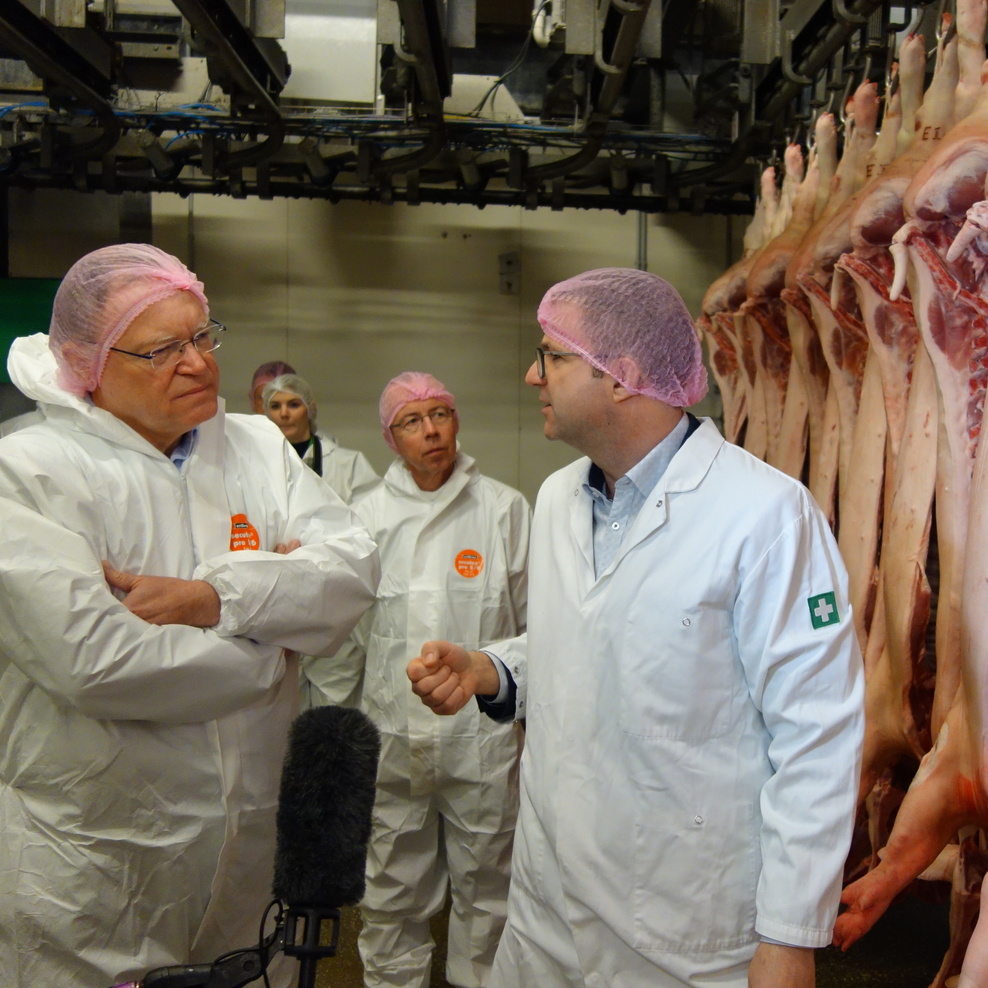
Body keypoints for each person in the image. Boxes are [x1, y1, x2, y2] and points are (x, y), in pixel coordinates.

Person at [408, 268, 865, 988]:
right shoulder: (560, 497)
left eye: (552, 357)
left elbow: (817, 734)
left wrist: (789, 934)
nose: (532, 375)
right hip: (546, 913)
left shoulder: (766, 516)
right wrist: (492, 669)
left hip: (682, 932)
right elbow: (594, 643)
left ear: (620, 378)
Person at [0, 244, 380, 988]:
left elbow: (354, 571)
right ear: (87, 365)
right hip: (97, 865)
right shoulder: (30, 473)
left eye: (203, 336)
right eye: (163, 349)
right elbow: (100, 663)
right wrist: (271, 650)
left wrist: (216, 600)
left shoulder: (258, 448)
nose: (199, 364)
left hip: (247, 864)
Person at [310, 371, 529, 988]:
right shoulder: (364, 518)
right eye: (413, 420)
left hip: (483, 744)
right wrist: (337, 739)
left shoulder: (505, 510)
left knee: (490, 891)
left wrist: (531, 727)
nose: (431, 430)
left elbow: (534, 630)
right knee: (390, 892)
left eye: (441, 414)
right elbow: (342, 643)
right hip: (392, 743)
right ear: (390, 438)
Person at [262, 372, 379, 504]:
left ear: (309, 410)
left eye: (293, 405)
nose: (284, 413)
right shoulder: (258, 463)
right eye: (275, 406)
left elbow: (371, 514)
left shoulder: (348, 465)